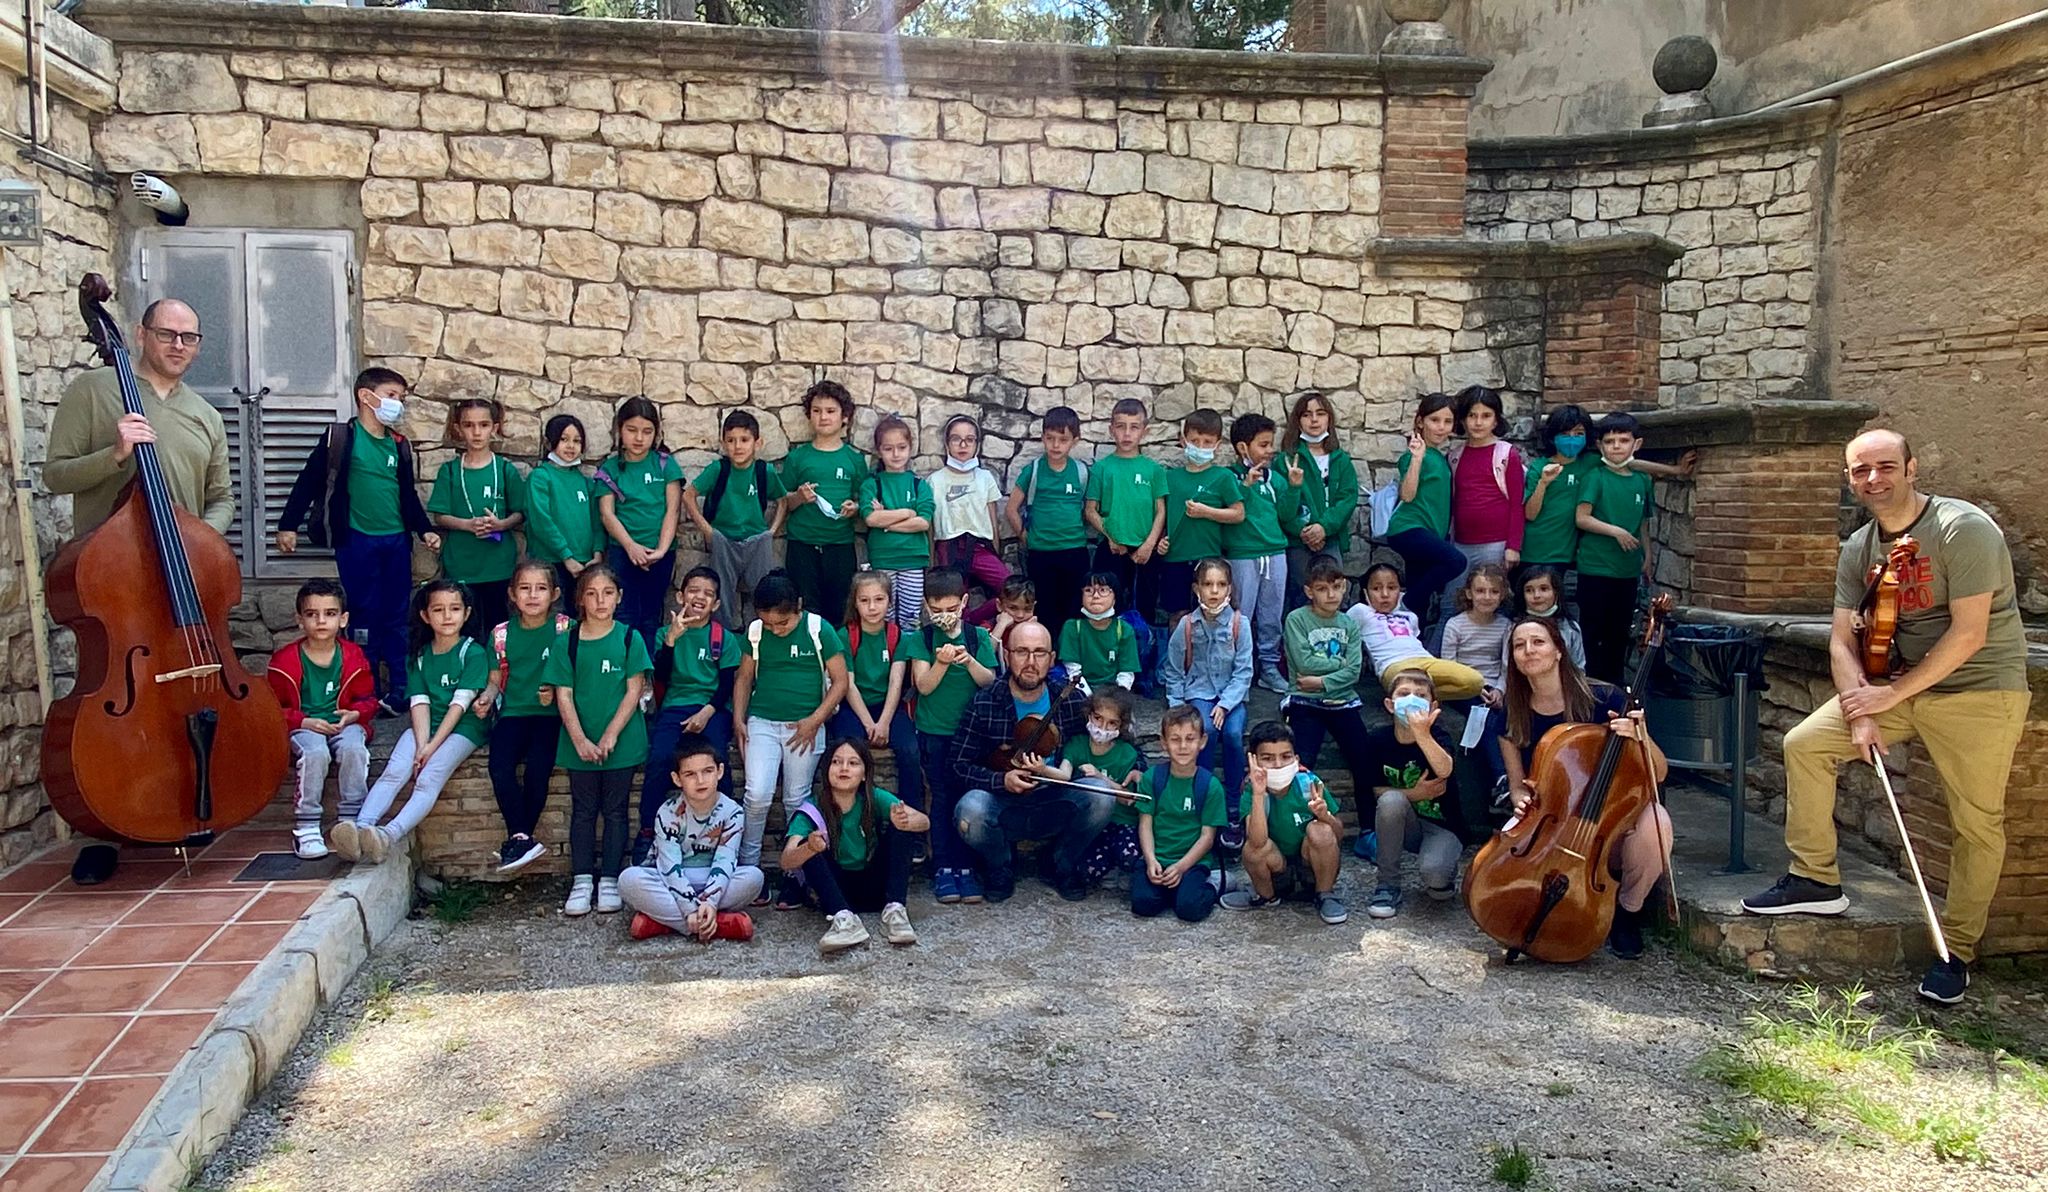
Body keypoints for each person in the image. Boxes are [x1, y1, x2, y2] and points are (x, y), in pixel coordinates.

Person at [1741, 429, 2031, 1005]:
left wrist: (1888, 697)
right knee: (1805, 743)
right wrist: (1859, 706)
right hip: (1897, 685)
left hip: (1977, 688)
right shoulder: (1860, 546)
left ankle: (1957, 951)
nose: (1873, 479)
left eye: (1885, 466)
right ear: (1849, 479)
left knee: (1976, 822)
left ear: (1911, 468)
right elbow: (1841, 640)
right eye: (1860, 470)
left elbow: (1970, 634)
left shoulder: (1962, 528)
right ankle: (1816, 878)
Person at [1493, 616, 1672, 960]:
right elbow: (1517, 786)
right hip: (1552, 819)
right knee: (1508, 846)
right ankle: (1529, 913)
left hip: (1609, 818)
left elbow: (1659, 772)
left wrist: (1641, 737)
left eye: (1538, 642)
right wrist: (1520, 801)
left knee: (1656, 825)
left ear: (1559, 650)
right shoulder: (1512, 711)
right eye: (1519, 645)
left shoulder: (1605, 698)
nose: (1528, 650)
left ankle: (1627, 913)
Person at [274, 366, 441, 715]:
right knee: (363, 615)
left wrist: (424, 529)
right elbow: (308, 481)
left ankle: (400, 688)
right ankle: (367, 689)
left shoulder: (398, 445)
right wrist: (288, 525)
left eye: (401, 398)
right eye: (392, 396)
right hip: (356, 541)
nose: (398, 404)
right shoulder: (340, 439)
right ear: (367, 397)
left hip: (395, 541)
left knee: (397, 613)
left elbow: (407, 495)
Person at [332, 579, 488, 865]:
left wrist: (429, 748)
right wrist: (421, 743)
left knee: (428, 778)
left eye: (455, 609)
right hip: (426, 726)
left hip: (463, 727)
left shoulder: (473, 652)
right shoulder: (420, 655)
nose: (447, 616)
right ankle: (361, 828)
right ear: (425, 616)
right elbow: (420, 703)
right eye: (438, 610)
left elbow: (459, 705)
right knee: (394, 771)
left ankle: (387, 835)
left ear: (466, 613)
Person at [953, 622, 1112, 902]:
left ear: (1052, 659)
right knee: (970, 810)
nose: (1030, 662)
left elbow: (1112, 740)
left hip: (1056, 799)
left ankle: (1060, 863)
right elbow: (959, 764)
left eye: (1039, 653)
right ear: (1007, 655)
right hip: (1004, 803)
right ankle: (1000, 865)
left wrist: (1132, 769)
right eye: (1021, 652)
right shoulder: (985, 702)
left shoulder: (1070, 699)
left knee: (1102, 797)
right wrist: (1001, 780)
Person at [543, 564, 655, 918]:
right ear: (580, 600)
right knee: (584, 810)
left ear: (619, 596)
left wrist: (610, 735)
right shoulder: (567, 642)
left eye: (607, 593)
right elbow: (563, 694)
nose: (600, 601)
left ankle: (609, 878)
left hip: (622, 741)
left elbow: (634, 690)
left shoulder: (629, 638)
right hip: (579, 741)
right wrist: (580, 739)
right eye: (591, 594)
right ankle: (581, 879)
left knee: (616, 810)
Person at [730, 570, 851, 886]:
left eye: (782, 623)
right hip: (762, 722)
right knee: (757, 794)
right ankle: (748, 869)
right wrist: (739, 719)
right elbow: (744, 678)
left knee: (797, 799)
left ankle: (795, 874)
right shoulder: (756, 632)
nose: (776, 629)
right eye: (769, 623)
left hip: (806, 725)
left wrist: (815, 720)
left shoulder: (818, 629)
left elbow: (840, 681)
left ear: (798, 606)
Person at [903, 567, 1000, 903]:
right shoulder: (921, 639)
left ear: (963, 602)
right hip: (935, 733)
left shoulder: (978, 637)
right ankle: (943, 866)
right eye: (936, 610)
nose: (944, 615)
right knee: (942, 797)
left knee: (969, 797)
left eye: (951, 608)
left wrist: (968, 660)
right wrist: (942, 663)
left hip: (972, 735)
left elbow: (989, 681)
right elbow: (924, 686)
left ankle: (967, 866)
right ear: (926, 607)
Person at [781, 737, 931, 953]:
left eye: (853, 763)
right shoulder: (812, 809)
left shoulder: (873, 797)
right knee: (808, 845)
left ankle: (895, 911)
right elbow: (786, 860)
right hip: (836, 891)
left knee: (902, 825)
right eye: (836, 762)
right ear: (826, 770)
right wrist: (809, 848)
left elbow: (924, 821)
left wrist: (906, 821)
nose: (844, 768)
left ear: (864, 774)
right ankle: (844, 921)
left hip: (876, 888)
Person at [265, 578, 377, 860]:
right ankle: (307, 826)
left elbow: (368, 699)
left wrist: (355, 714)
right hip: (303, 725)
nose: (321, 621)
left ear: (343, 619)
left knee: (353, 749)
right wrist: (303, 722)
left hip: (343, 723)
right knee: (315, 753)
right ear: (299, 620)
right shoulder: (283, 662)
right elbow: (271, 709)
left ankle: (352, 821)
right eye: (312, 614)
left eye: (330, 613)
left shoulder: (353, 656)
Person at [638, 566, 739, 864]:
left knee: (718, 760)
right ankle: (648, 832)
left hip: (712, 708)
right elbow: (661, 677)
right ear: (681, 596)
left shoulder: (723, 638)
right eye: (694, 590)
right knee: (660, 759)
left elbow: (727, 685)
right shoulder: (664, 634)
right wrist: (671, 639)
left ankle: (728, 832)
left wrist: (707, 712)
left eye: (708, 594)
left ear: (716, 604)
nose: (700, 597)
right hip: (675, 706)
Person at [619, 732, 759, 944]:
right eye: (690, 774)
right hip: (671, 879)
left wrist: (710, 901)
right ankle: (715, 924)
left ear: (719, 771)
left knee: (754, 878)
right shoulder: (667, 812)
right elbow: (670, 867)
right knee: (628, 880)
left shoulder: (733, 812)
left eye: (707, 771)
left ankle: (663, 923)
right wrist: (689, 908)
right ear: (677, 779)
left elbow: (725, 861)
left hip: (711, 876)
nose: (700, 781)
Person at [477, 561, 568, 875]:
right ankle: (523, 837)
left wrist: (555, 691)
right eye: (525, 588)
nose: (532, 595)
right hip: (514, 712)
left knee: (537, 770)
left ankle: (519, 838)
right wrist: (487, 698)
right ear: (512, 594)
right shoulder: (501, 634)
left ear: (554, 594)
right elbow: (494, 680)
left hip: (552, 715)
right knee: (499, 768)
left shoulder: (566, 629)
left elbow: (577, 674)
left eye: (541, 588)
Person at [1159, 559, 1253, 847]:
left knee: (1233, 735)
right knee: (1207, 732)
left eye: (1221, 584)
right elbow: (1174, 669)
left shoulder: (1240, 624)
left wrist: (1225, 704)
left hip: (1231, 695)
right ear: (1196, 588)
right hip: (1198, 692)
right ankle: (1204, 799)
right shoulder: (1187, 625)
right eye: (1208, 584)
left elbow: (1244, 671)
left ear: (1229, 589)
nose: (1214, 591)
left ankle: (1233, 806)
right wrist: (1177, 706)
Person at [830, 572, 925, 843]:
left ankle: (912, 831)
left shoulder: (898, 636)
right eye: (865, 600)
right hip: (854, 706)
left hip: (888, 707)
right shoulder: (845, 635)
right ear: (855, 603)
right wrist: (869, 724)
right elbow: (848, 684)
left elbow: (896, 681)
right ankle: (849, 825)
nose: (872, 607)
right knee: (846, 751)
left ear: (889, 602)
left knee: (910, 752)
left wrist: (883, 723)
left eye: (879, 600)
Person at [1221, 720, 1346, 923]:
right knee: (1251, 850)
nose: (1278, 764)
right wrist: (1259, 794)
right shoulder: (1251, 790)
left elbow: (1338, 836)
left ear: (1296, 759)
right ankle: (1266, 896)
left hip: (1311, 869)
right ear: (1254, 761)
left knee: (1321, 830)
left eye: (1286, 757)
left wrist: (1325, 816)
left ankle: (1325, 894)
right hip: (1277, 870)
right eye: (1268, 758)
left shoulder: (1309, 783)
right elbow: (1257, 842)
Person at [1363, 669, 1460, 920]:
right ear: (1390, 704)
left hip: (1442, 826)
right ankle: (1387, 885)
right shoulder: (1377, 740)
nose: (1412, 699)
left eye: (1421, 695)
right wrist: (1414, 793)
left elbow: (1444, 769)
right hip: (1405, 825)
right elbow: (1375, 790)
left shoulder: (1439, 736)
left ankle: (1445, 873)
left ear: (1433, 706)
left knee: (1436, 877)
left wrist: (1422, 734)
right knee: (1390, 800)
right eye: (1404, 694)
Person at [427, 398, 526, 642]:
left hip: (498, 566)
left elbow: (521, 512)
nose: (477, 432)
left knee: (498, 632)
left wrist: (502, 524)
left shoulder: (504, 469)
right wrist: (467, 525)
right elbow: (439, 515)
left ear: (494, 427)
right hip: (461, 564)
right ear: (459, 429)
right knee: (464, 632)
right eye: (469, 425)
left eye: (483, 425)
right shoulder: (450, 470)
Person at [682, 409, 786, 632]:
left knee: (764, 591)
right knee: (721, 593)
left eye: (744, 440)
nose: (737, 446)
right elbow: (688, 495)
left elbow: (782, 500)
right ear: (723, 443)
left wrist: (771, 531)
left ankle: (763, 637)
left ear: (758, 443)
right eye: (731, 440)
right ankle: (722, 640)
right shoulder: (718, 469)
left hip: (757, 540)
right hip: (723, 539)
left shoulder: (764, 471)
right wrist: (708, 531)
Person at [1282, 559, 1379, 794]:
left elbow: (1354, 671)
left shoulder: (1349, 624)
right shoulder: (1296, 619)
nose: (1331, 595)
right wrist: (1340, 663)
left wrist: (1321, 682)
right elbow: (1304, 663)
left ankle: (1368, 817)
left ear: (1344, 586)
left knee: (1364, 761)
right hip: (1305, 700)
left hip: (1343, 701)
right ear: (1309, 592)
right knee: (1302, 763)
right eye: (1322, 589)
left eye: (1336, 587)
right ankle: (1300, 815)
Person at [596, 397, 682, 651]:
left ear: (656, 433)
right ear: (619, 429)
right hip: (622, 552)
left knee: (651, 615)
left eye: (647, 431)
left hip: (660, 553)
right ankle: (625, 667)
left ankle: (648, 670)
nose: (639, 438)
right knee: (625, 613)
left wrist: (661, 550)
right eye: (632, 430)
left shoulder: (665, 464)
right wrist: (631, 546)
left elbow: (673, 510)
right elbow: (607, 514)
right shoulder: (611, 469)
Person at [779, 380, 865, 629]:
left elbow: (865, 501)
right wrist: (799, 497)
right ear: (809, 415)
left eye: (830, 411)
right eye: (816, 411)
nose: (823, 417)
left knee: (840, 611)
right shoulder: (798, 458)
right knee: (805, 611)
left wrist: (855, 508)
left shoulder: (854, 459)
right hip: (802, 545)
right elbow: (784, 502)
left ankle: (836, 655)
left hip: (840, 546)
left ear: (844, 417)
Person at [1130, 705, 1226, 923]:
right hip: (1158, 857)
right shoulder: (1152, 778)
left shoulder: (1210, 786)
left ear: (1202, 741)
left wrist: (1181, 867)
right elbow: (1145, 824)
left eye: (1190, 739)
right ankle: (1173, 891)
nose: (1183, 746)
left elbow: (1207, 837)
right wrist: (1150, 860)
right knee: (1142, 904)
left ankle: (1215, 883)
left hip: (1192, 861)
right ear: (1164, 743)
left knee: (1190, 910)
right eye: (1175, 739)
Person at [1225, 412, 1299, 693]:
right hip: (1242, 555)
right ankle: (1238, 670)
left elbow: (1286, 516)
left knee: (1271, 614)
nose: (1270, 451)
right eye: (1263, 445)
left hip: (1275, 553)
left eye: (1271, 444)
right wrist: (1246, 486)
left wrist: (1293, 488)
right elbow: (1232, 511)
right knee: (1240, 615)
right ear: (1242, 447)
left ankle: (1268, 667)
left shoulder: (1274, 479)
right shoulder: (1228, 477)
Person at [1005, 405, 1091, 642]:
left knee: (1075, 609)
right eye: (1050, 438)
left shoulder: (1081, 472)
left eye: (1063, 440)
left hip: (1075, 551)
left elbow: (1088, 509)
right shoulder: (1033, 470)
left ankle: (1071, 657)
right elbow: (1011, 509)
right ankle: (1047, 655)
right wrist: (1025, 536)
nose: (1055, 445)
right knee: (1045, 610)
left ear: (1074, 441)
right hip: (1041, 553)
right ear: (1042, 437)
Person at [1384, 392, 1467, 624]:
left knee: (1420, 603)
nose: (1441, 427)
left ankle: (1410, 635)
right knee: (1456, 561)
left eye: (1447, 421)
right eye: (1434, 420)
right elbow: (1407, 495)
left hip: (1429, 532)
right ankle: (1405, 603)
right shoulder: (1413, 456)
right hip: (1408, 529)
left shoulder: (1440, 457)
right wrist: (1417, 459)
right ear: (1420, 421)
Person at [1347, 562, 1485, 701]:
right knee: (1405, 685)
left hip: (1425, 660)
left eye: (1392, 588)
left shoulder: (1410, 616)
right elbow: (1341, 630)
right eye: (1376, 588)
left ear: (1400, 591)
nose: (1385, 594)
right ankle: (1414, 694)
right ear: (1366, 592)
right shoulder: (1361, 611)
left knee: (1475, 682)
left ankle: (1420, 695)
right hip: (1393, 665)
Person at [1158, 407, 1244, 624]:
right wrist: (1161, 540)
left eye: (1207, 442)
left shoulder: (1223, 477)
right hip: (1175, 557)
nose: (1200, 447)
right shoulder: (1170, 477)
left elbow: (1238, 513)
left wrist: (1206, 512)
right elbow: (1161, 515)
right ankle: (1176, 648)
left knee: (1210, 614)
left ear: (1217, 445)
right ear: (1183, 440)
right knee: (1177, 615)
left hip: (1209, 557)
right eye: (1195, 441)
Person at [1083, 397, 1167, 614]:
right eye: (1121, 427)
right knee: (1107, 609)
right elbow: (1090, 510)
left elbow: (1161, 510)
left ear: (1144, 431)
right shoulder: (1102, 468)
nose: (1127, 434)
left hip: (1145, 551)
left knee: (1145, 610)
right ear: (1112, 430)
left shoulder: (1154, 470)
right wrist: (1111, 536)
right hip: (1111, 549)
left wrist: (1149, 545)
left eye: (1134, 427)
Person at [1281, 391, 1359, 614]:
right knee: (1300, 596)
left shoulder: (1341, 460)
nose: (1314, 420)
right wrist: (1305, 532)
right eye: (1307, 415)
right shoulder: (1286, 460)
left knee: (1333, 594)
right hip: (1298, 542)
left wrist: (1323, 527)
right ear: (1298, 421)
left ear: (1329, 419)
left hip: (1330, 539)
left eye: (1320, 413)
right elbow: (1282, 504)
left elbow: (1347, 498)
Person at [929, 414, 1010, 626]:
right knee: (954, 601)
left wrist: (995, 549)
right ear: (947, 443)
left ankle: (975, 620)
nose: (963, 445)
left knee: (1010, 589)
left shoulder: (985, 478)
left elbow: (992, 519)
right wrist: (932, 561)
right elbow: (931, 526)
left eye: (969, 439)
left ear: (977, 444)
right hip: (949, 548)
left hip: (980, 547)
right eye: (956, 439)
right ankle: (967, 629)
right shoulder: (935, 480)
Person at [1065, 688, 1149, 885]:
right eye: (1098, 718)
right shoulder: (1076, 745)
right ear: (1088, 715)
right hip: (1093, 824)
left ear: (1121, 726)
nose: (1102, 727)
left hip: (1122, 821)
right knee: (1087, 871)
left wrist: (1100, 778)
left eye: (1112, 723)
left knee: (1130, 857)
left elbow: (1129, 799)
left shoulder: (1127, 753)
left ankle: (1119, 864)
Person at [858, 414, 934, 629]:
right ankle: (888, 650)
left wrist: (887, 522)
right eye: (888, 448)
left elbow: (923, 523)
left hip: (913, 559)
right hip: (883, 559)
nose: (896, 454)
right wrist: (907, 512)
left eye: (901, 447)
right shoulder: (872, 484)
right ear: (879, 451)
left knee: (911, 617)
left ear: (910, 448)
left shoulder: (919, 484)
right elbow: (871, 518)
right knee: (885, 616)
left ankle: (909, 651)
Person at [524, 413, 604, 613]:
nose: (571, 446)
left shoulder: (585, 482)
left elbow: (597, 520)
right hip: (552, 563)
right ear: (549, 442)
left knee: (580, 618)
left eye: (577, 441)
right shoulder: (540, 477)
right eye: (564, 439)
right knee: (555, 618)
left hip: (584, 564)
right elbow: (541, 521)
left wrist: (597, 552)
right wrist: (566, 556)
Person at [1447, 386, 1524, 572]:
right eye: (1472, 415)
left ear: (1496, 420)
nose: (1478, 422)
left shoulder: (1506, 455)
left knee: (1491, 589)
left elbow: (1517, 504)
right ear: (1463, 420)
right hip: (1460, 543)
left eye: (1486, 416)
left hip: (1496, 544)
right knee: (1454, 591)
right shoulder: (1454, 456)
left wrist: (1513, 547)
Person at [1441, 564, 1510, 712]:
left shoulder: (1506, 626)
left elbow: (1506, 665)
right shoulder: (1455, 625)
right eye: (1480, 591)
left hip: (1494, 686)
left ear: (1502, 595)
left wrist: (1500, 690)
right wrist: (1474, 688)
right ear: (1469, 594)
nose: (1487, 597)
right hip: (1463, 685)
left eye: (1494, 592)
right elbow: (1449, 665)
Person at [1059, 571, 1139, 694]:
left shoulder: (1124, 629)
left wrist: (1114, 698)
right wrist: (1089, 696)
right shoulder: (1072, 627)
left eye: (1103, 590)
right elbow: (1073, 669)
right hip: (1078, 688)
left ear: (1115, 597)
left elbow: (1126, 673)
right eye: (1088, 590)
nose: (1096, 596)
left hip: (1113, 689)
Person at [1509, 565, 1586, 672]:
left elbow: (1579, 668)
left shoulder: (1571, 628)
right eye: (1529, 590)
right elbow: (1507, 668)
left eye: (1544, 589)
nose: (1536, 595)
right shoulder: (1512, 627)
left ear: (1556, 592)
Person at [990, 576, 1039, 672]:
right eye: (1013, 608)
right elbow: (985, 657)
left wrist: (1029, 632)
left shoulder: (1038, 631)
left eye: (1027, 609)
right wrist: (1000, 626)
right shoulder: (988, 628)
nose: (1020, 615)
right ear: (999, 605)